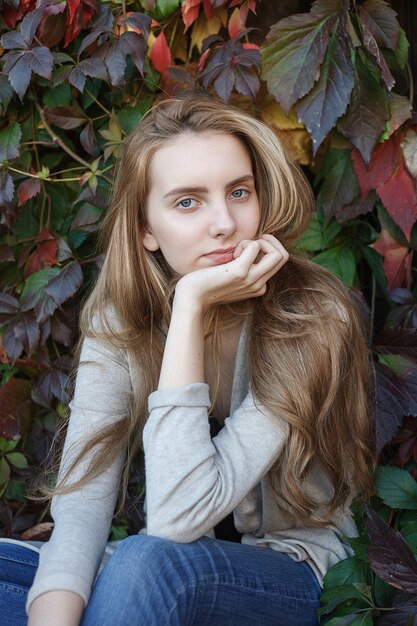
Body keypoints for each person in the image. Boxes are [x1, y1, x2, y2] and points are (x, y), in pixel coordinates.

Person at [0, 96, 374, 626]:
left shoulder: (311, 318)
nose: (224, 223)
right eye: (188, 202)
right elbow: (84, 506)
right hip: (166, 567)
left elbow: (176, 522)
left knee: (146, 562)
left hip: (293, 572)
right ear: (145, 230)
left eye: (239, 193)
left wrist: (191, 303)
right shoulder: (120, 319)